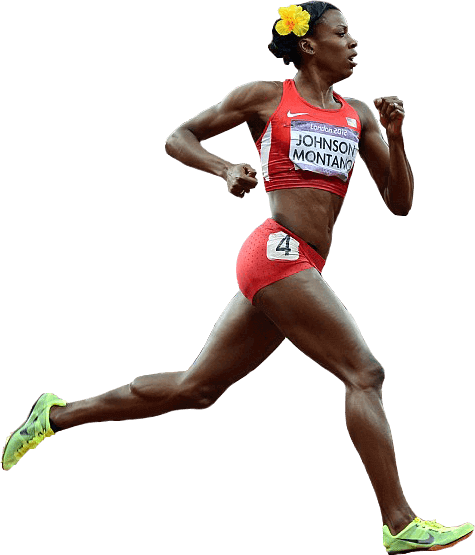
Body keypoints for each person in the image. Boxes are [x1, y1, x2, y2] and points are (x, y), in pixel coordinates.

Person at [2, 3, 473, 552]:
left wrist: (395, 137)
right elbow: (179, 136)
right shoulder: (265, 96)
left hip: (302, 263)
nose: (354, 43)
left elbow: (399, 203)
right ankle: (400, 524)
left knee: (197, 389)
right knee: (364, 372)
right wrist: (225, 168)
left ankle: (54, 416)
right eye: (342, 33)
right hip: (277, 251)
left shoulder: (359, 114)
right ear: (308, 45)